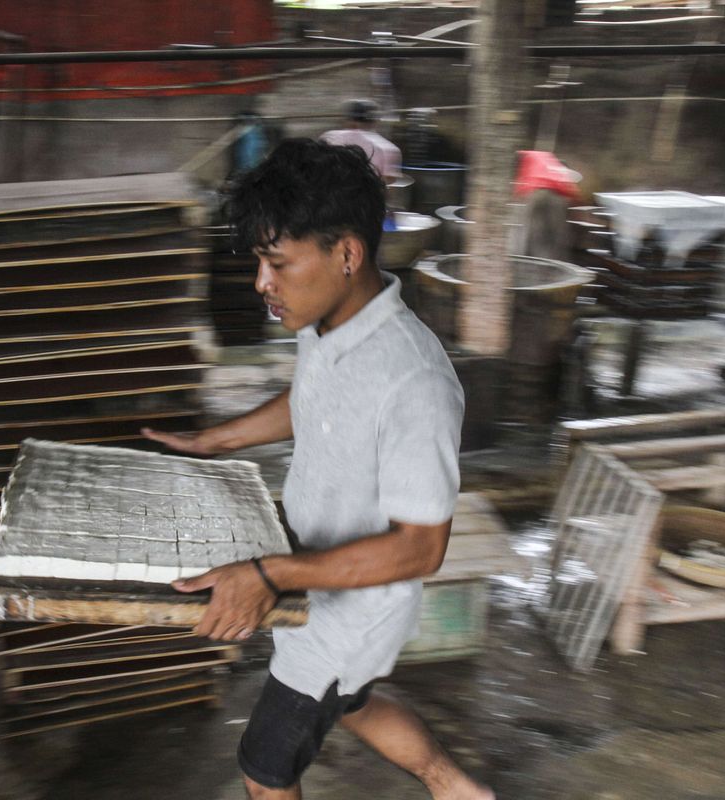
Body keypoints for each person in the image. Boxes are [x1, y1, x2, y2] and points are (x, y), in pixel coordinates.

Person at [142, 139, 492, 800]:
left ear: (347, 253)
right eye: (258, 262)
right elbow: (312, 399)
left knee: (264, 768)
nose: (261, 284)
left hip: (349, 613)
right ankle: (454, 786)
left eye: (277, 263)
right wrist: (218, 440)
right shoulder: (328, 323)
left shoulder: (414, 381)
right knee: (352, 704)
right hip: (312, 579)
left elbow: (421, 549)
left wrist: (267, 575)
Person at [319, 99, 402, 182]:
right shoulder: (389, 149)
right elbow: (389, 180)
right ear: (374, 122)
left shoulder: (329, 138)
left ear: (348, 119)